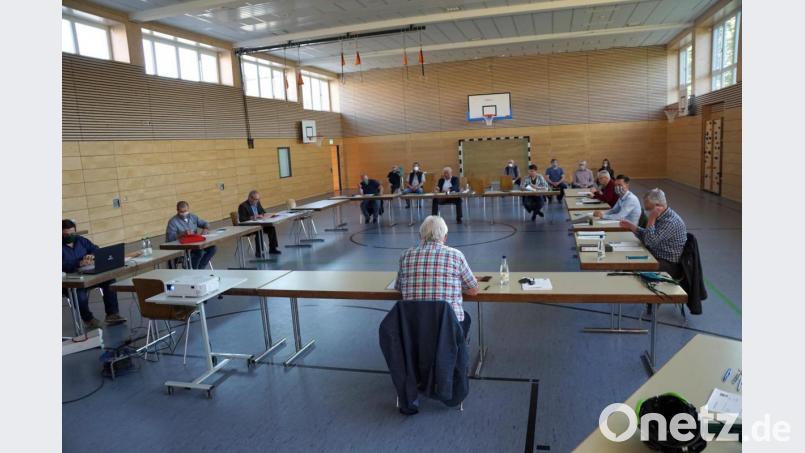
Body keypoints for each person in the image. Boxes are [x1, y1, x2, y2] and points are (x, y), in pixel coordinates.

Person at [394, 215, 478, 334]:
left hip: (414, 327)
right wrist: (459, 289)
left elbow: (399, 288)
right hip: (447, 328)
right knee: (466, 318)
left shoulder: (405, 255)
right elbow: (474, 289)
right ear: (445, 237)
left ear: (420, 236)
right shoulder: (456, 255)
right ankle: (455, 350)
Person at [62, 220, 126, 330]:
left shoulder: (81, 240)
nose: (70, 236)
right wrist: (79, 263)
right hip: (69, 281)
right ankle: (88, 319)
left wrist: (92, 255)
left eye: (72, 233)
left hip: (86, 275)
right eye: (66, 234)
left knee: (109, 281)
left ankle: (112, 315)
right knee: (80, 293)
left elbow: (96, 249)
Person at [619, 188, 687, 278]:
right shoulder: (662, 216)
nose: (648, 213)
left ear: (658, 206)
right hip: (656, 255)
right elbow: (649, 235)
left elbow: (649, 242)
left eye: (650, 210)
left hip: (666, 263)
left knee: (631, 267)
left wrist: (651, 219)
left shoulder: (669, 222)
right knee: (627, 262)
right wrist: (633, 227)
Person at [166, 201, 217, 269]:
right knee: (199, 252)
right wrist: (182, 233)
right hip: (183, 246)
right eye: (181, 212)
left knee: (213, 248)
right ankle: (194, 270)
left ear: (188, 209)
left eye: (185, 211)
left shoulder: (193, 217)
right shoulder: (173, 221)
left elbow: (205, 223)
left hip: (195, 243)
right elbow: (170, 238)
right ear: (177, 210)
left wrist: (205, 229)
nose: (184, 213)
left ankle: (200, 268)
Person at [237, 190, 281, 255]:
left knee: (271, 228)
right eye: (255, 199)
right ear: (250, 198)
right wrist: (252, 217)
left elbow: (263, 212)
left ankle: (273, 248)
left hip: (260, 223)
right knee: (258, 230)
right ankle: (259, 252)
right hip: (249, 226)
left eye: (258, 199)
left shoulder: (257, 203)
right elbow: (242, 219)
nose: (256, 201)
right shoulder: (243, 206)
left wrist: (265, 215)